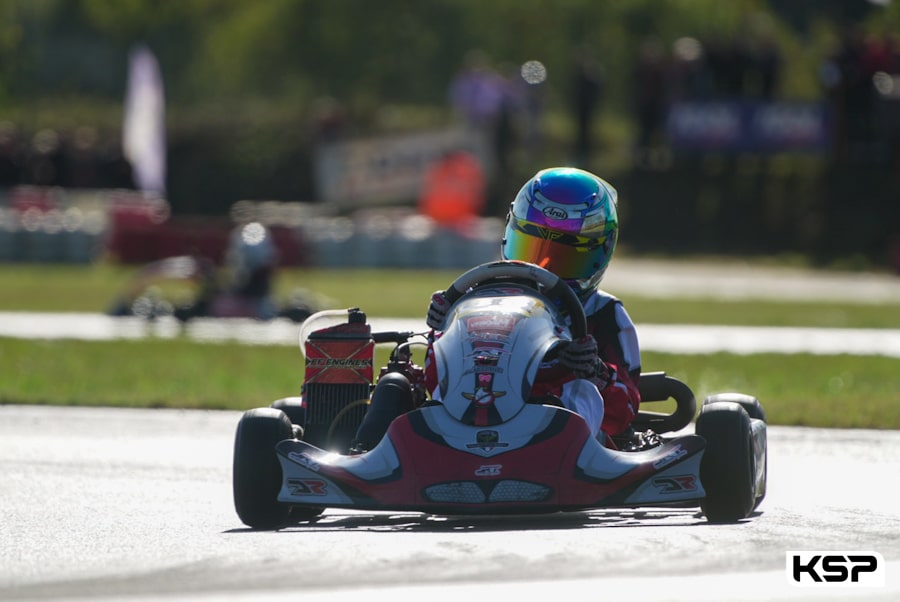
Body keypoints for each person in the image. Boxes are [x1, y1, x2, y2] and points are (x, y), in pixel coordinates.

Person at [352, 167, 645, 452]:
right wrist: (442, 330)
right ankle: (362, 458)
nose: (541, 268)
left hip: (552, 434)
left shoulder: (604, 313)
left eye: (564, 257)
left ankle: (569, 461)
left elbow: (625, 411)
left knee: (581, 391)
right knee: (394, 382)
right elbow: (435, 382)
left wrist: (594, 371)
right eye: (531, 247)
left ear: (598, 253)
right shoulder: (476, 300)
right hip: (461, 422)